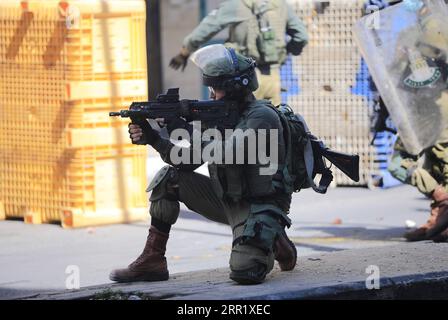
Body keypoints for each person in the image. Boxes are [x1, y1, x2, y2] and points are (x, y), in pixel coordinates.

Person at [109, 44, 299, 285]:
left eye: (216, 88)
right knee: (169, 179)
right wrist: (155, 139)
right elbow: (185, 163)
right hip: (227, 199)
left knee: (244, 273)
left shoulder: (262, 117)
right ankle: (153, 260)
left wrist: (182, 127)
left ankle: (275, 239)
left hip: (259, 207)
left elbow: (226, 153)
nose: (211, 95)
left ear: (233, 89)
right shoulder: (219, 118)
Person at [168, 0, 309, 106]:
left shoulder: (235, 5)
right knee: (274, 126)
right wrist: (283, 54)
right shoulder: (280, 5)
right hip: (272, 77)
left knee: (241, 128)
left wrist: (184, 53)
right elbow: (302, 36)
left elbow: (204, 30)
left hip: (242, 79)